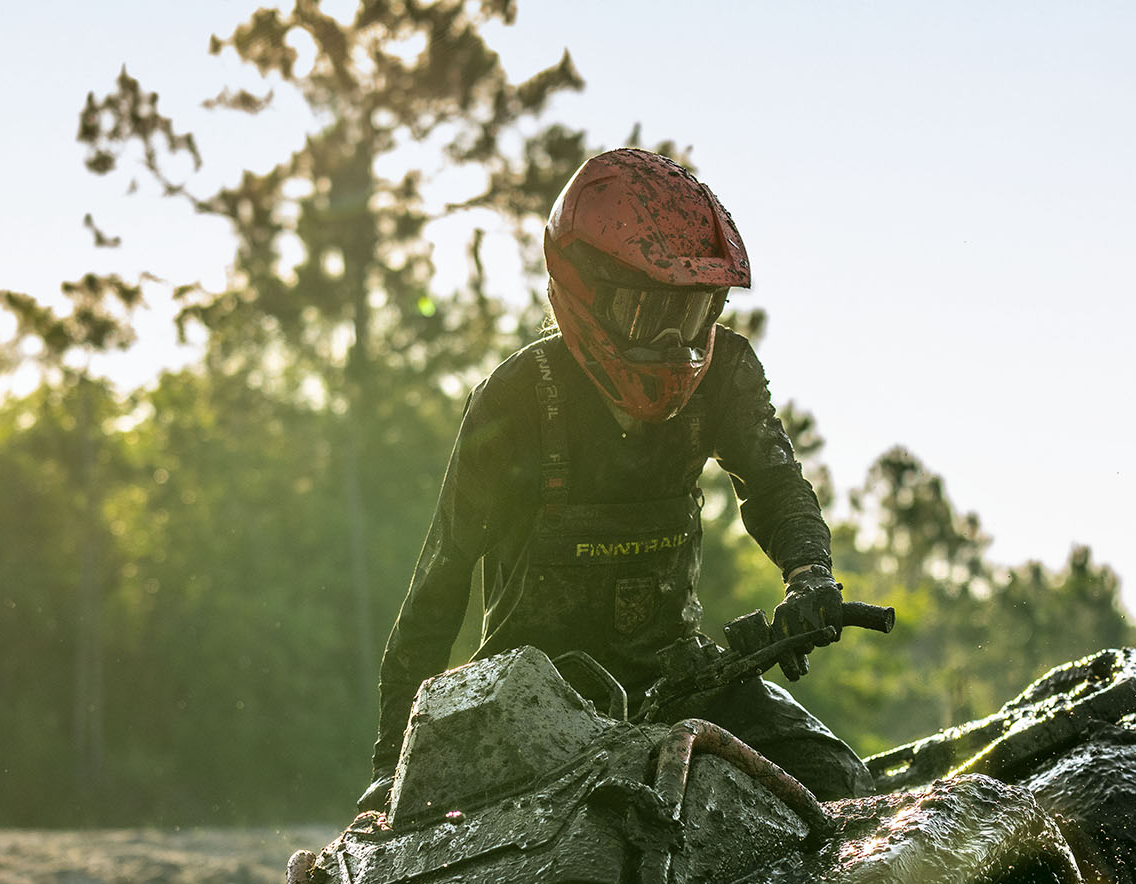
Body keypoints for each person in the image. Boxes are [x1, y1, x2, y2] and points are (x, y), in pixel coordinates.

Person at [363, 148, 872, 809]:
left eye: (691, 316)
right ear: (585, 294)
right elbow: (440, 583)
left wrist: (810, 573)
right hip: (529, 697)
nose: (671, 345)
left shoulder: (726, 373)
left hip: (682, 673)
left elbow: (776, 484)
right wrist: (390, 769)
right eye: (645, 315)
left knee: (838, 785)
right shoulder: (515, 401)